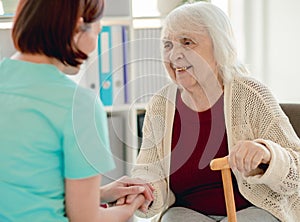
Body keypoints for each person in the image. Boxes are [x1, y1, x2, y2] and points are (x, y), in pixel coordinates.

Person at [131, 2, 300, 222]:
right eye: (167, 45)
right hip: (186, 213)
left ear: (219, 47)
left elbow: (297, 171)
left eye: (187, 42)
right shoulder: (160, 106)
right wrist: (143, 191)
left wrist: (267, 154)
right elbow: (149, 171)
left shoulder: (250, 95)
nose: (174, 55)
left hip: (253, 211)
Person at [0, 0, 154, 221]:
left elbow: (21, 187)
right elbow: (86, 219)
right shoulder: (79, 106)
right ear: (77, 28)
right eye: (97, 32)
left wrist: (101, 193)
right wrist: (132, 206)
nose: (94, 48)